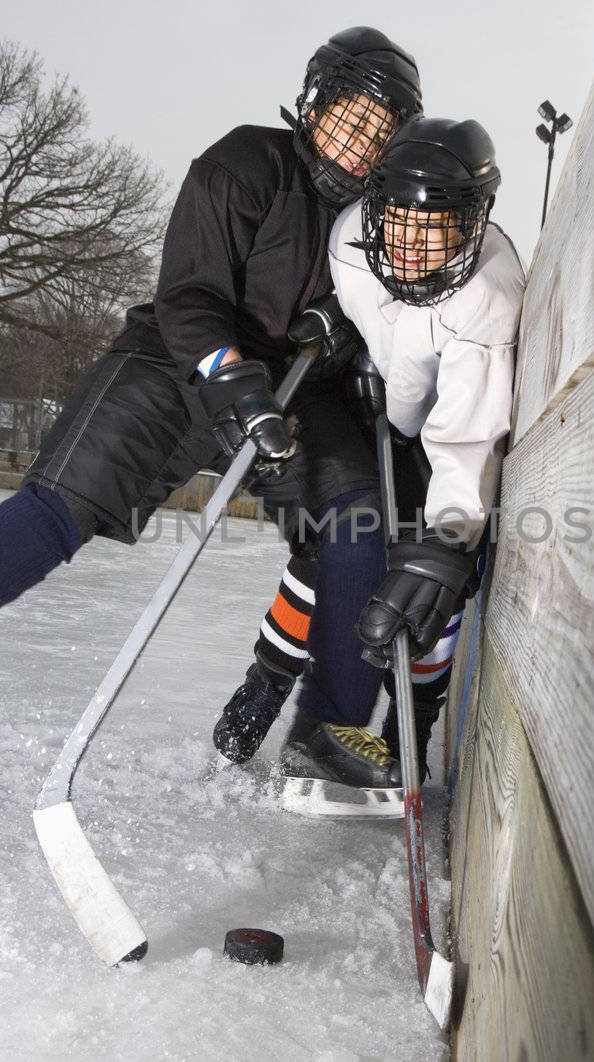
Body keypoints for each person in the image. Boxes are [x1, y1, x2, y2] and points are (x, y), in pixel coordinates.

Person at [0, 28, 422, 736]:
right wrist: (226, 375)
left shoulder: (383, 216)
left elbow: (397, 311)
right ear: (315, 102)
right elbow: (190, 294)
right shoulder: (245, 162)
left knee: (358, 522)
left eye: (378, 132)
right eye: (351, 118)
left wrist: (343, 329)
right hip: (174, 363)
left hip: (299, 389)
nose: (359, 144)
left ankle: (326, 730)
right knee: (56, 508)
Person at [213, 116, 524, 790]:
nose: (410, 245)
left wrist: (450, 534)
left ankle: (409, 723)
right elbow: (342, 296)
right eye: (399, 222)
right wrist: (337, 326)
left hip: (430, 428)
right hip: (361, 403)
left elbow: (465, 435)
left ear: (471, 223)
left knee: (430, 584)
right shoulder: (351, 237)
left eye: (433, 227)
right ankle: (266, 680)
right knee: (335, 542)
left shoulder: (486, 299)